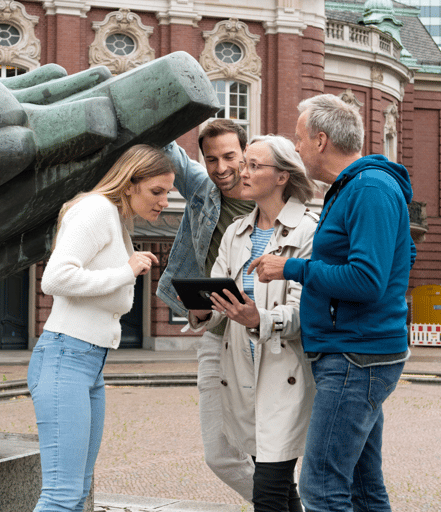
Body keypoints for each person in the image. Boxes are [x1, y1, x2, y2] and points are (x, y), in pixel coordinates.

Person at [250, 94, 416, 512]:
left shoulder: (369, 188)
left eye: (299, 138)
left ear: (320, 140)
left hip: (355, 357)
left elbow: (366, 280)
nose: (296, 146)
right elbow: (403, 255)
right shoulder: (355, 189)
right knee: (363, 488)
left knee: (321, 488)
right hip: (357, 352)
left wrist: (292, 268)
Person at [27, 144, 175, 512]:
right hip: (65, 357)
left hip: (89, 364)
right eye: (156, 191)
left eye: (168, 193)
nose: (164, 202)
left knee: (77, 493)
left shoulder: (116, 220)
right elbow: (55, 278)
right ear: (129, 184)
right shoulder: (96, 210)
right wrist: (126, 271)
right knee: (62, 495)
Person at [186, 135, 318, 512]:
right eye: (245, 163)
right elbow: (220, 299)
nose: (242, 172)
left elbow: (305, 312)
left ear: (282, 176)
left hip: (284, 371)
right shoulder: (236, 231)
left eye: (253, 165)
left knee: (269, 489)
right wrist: (202, 311)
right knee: (276, 485)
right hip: (241, 370)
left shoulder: (309, 231)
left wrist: (259, 318)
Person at [157, 120, 256, 501]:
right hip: (217, 334)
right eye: (211, 159)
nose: (221, 168)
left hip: (264, 335)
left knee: (271, 451)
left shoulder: (269, 195)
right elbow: (168, 149)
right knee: (220, 454)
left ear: (245, 153)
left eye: (230, 156)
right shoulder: (202, 188)